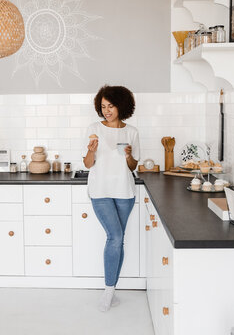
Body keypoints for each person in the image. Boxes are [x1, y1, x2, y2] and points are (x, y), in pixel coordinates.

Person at [82, 85, 140, 312]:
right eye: (103, 106)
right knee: (114, 237)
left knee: (118, 239)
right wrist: (91, 150)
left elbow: (133, 166)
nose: (106, 111)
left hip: (125, 192)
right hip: (100, 191)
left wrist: (129, 156)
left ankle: (111, 291)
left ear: (122, 106)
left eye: (111, 106)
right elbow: (88, 164)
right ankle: (108, 293)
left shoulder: (131, 132)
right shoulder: (94, 128)